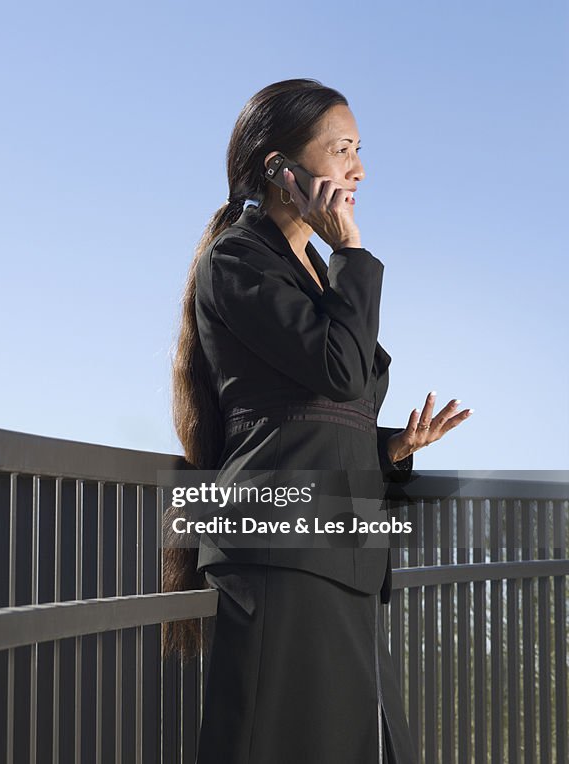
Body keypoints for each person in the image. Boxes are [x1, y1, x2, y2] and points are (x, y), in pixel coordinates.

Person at [164, 79, 472, 763]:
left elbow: (324, 403)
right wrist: (352, 253)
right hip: (283, 554)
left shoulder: (304, 267)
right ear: (280, 169)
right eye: (341, 150)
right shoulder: (239, 260)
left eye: (358, 149)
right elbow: (336, 369)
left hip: (337, 549)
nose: (358, 168)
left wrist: (389, 447)